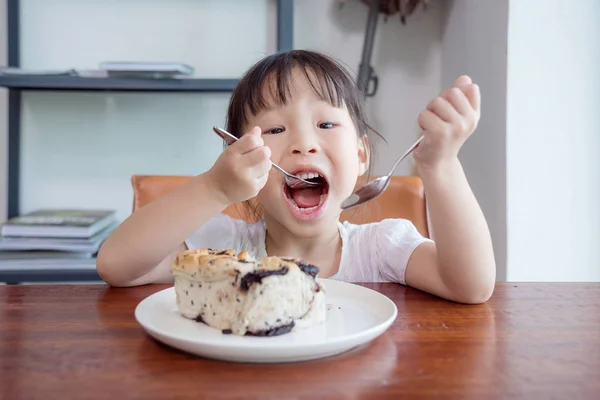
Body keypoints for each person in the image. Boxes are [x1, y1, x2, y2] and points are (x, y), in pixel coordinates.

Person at [96, 50, 496, 304]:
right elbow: (116, 266)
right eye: (274, 130)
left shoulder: (381, 248)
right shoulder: (222, 250)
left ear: (360, 156)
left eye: (325, 123)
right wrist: (213, 187)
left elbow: (469, 286)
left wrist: (441, 165)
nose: (304, 143)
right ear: (243, 160)